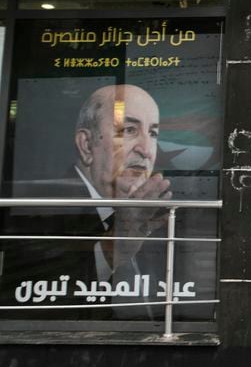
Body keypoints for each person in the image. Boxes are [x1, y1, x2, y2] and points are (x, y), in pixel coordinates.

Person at [1, 84, 171, 316]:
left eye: (153, 133)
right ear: (87, 145)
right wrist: (114, 248)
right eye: (129, 130)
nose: (146, 150)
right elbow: (33, 304)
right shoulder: (40, 209)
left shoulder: (151, 215)